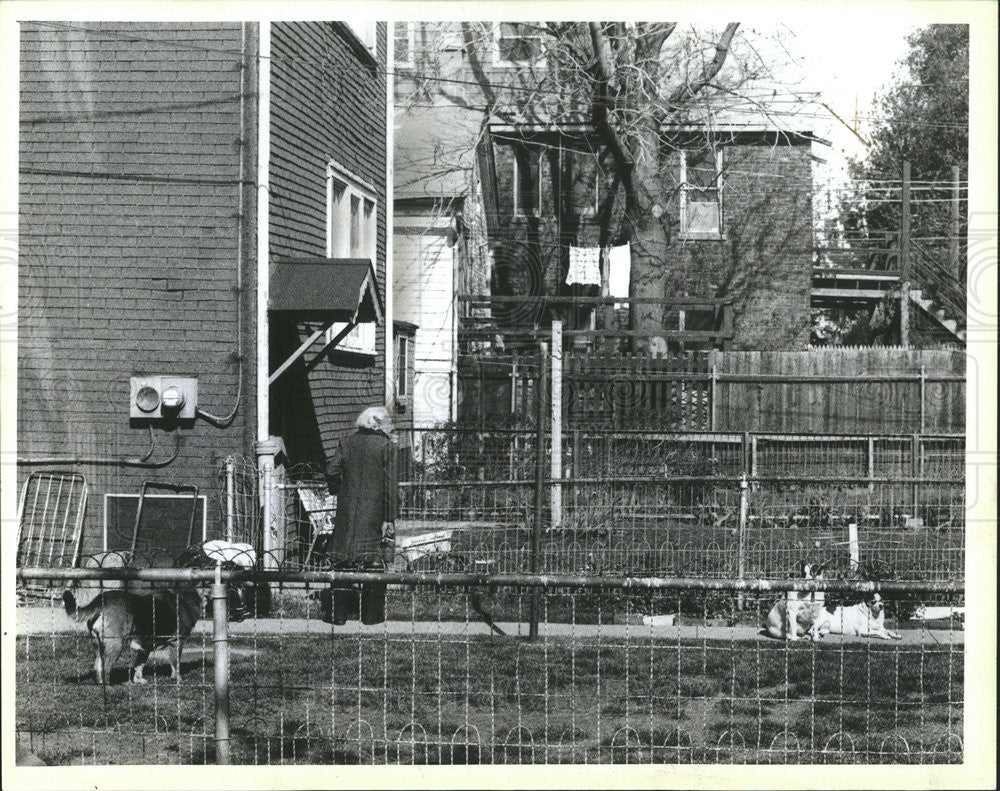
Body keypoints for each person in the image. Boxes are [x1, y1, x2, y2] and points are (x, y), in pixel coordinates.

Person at [320, 406, 398, 625]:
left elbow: (332, 472)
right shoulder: (387, 447)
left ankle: (338, 615)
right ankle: (372, 616)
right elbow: (391, 486)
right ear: (377, 423)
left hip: (348, 510)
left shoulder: (346, 443)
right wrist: (389, 518)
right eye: (388, 422)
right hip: (376, 512)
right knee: (374, 560)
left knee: (343, 559)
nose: (391, 426)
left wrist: (342, 491)